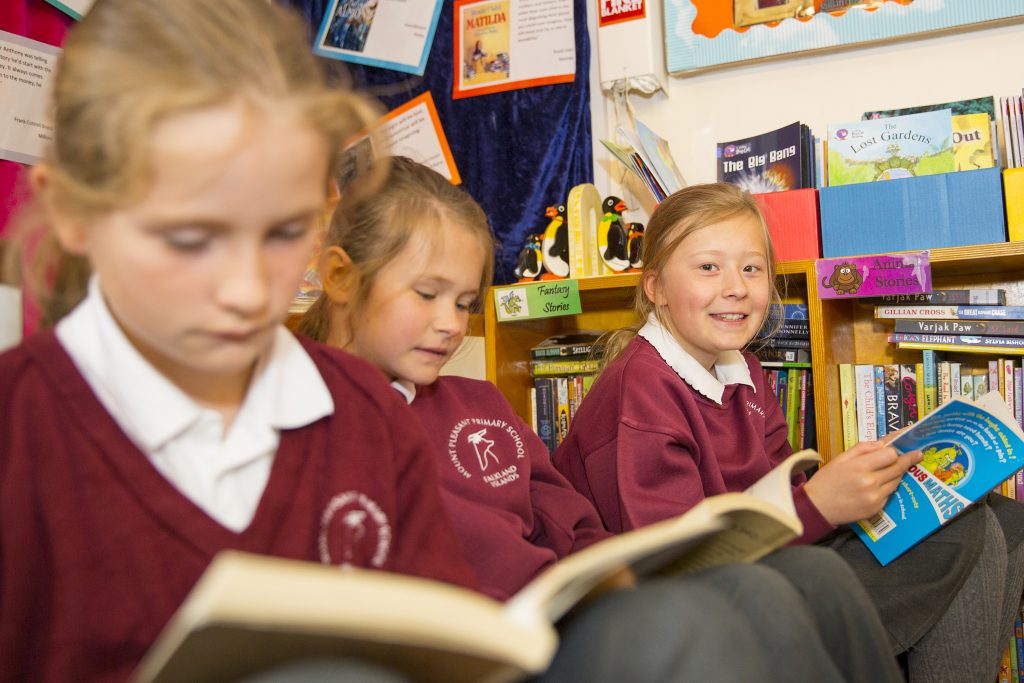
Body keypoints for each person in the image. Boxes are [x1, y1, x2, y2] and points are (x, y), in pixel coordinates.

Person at [0, 2, 478, 682]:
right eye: (192, 239)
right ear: (77, 213)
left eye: (286, 233)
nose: (250, 291)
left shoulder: (367, 417)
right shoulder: (17, 434)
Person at [299, 156, 904, 683]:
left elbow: (575, 527)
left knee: (805, 577)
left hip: (557, 623)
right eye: (427, 296)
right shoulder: (305, 419)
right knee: (754, 592)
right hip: (465, 649)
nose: (451, 325)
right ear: (340, 277)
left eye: (464, 304)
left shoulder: (478, 405)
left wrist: (609, 585)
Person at [551, 182, 1024, 683]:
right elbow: (675, 567)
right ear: (656, 288)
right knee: (962, 532)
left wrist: (870, 474)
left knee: (1005, 519)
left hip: (763, 561)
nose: (736, 286)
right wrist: (820, 504)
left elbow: (779, 489)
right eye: (709, 267)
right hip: (695, 602)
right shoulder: (640, 392)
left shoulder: (745, 369)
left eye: (752, 268)